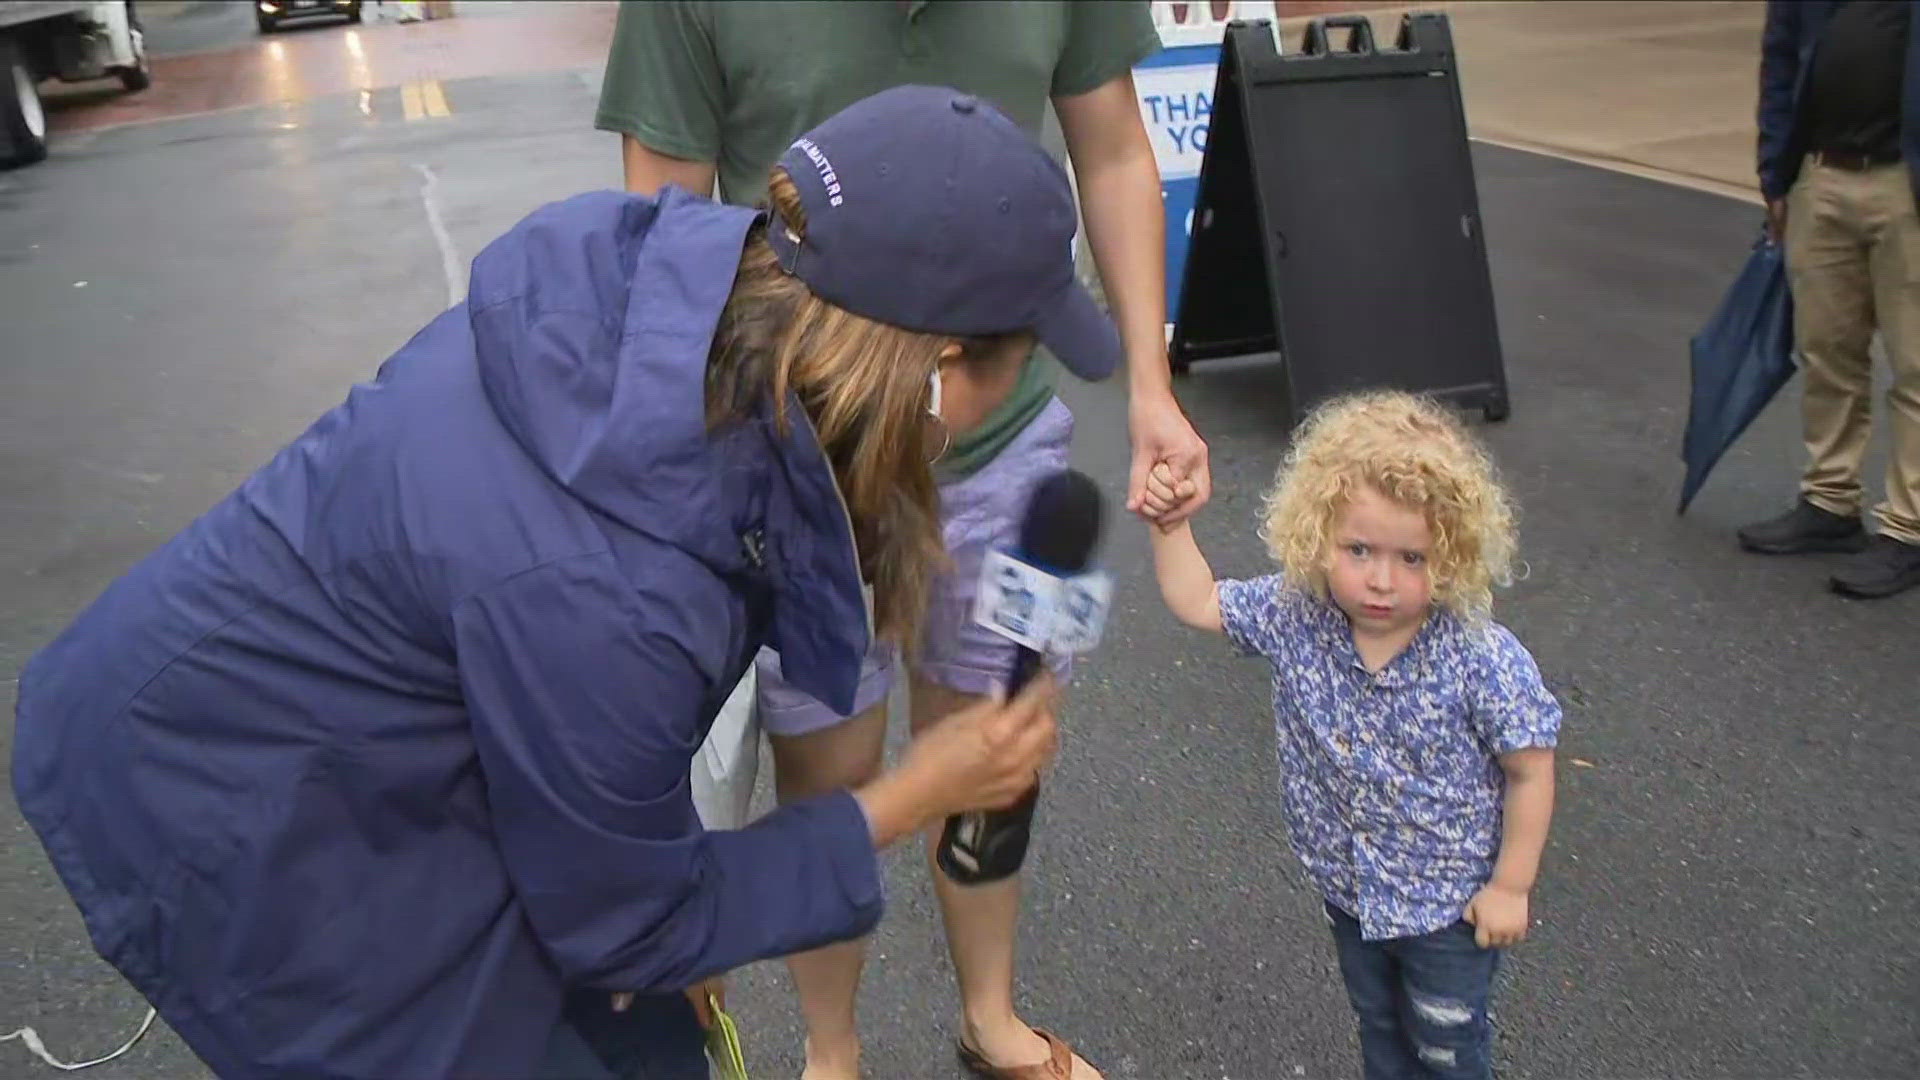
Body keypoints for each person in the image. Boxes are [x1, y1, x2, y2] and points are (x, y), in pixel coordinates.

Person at [9, 86, 1114, 1080]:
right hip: (227, 795)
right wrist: (923, 788)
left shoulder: (698, 305)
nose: (1017, 400)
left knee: (640, 1023)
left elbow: (612, 755)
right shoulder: (611, 586)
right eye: (1019, 365)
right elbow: (630, 919)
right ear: (927, 370)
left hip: (377, 726)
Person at [595, 6, 1209, 1077]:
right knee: (826, 771)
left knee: (998, 756)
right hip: (808, 461)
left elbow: (1112, 146)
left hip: (1014, 453)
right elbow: (663, 230)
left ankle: (991, 1017)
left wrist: (1153, 388)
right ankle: (832, 1053)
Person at [1143, 391, 1562, 1080]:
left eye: (1412, 558)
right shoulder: (1296, 614)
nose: (1380, 579)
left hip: (1449, 906)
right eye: (1358, 549)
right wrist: (1170, 526)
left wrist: (1512, 885)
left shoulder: (1479, 658)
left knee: (1447, 1044)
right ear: (1317, 534)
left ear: (1452, 555)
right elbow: (1199, 601)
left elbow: (1530, 767)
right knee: (1378, 1023)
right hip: (1349, 887)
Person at [1748, 0, 1920, 599]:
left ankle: (1909, 529)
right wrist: (1775, 175)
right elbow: (1779, 64)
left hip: (1906, 184)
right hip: (1821, 177)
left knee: (1916, 365)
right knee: (1827, 351)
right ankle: (1830, 501)